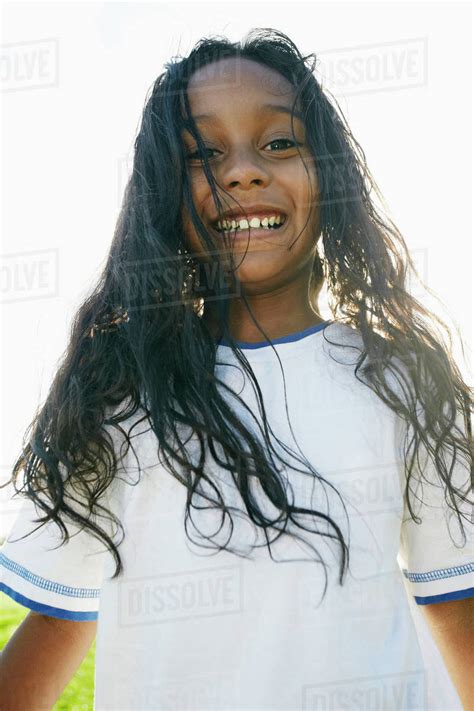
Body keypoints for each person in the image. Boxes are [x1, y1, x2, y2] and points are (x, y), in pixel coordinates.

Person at [0, 28, 472, 711]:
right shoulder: (120, 390)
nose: (243, 171)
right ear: (166, 193)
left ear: (329, 174)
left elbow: (456, 604)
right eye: (203, 154)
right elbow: (57, 617)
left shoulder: (405, 382)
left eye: (279, 143)